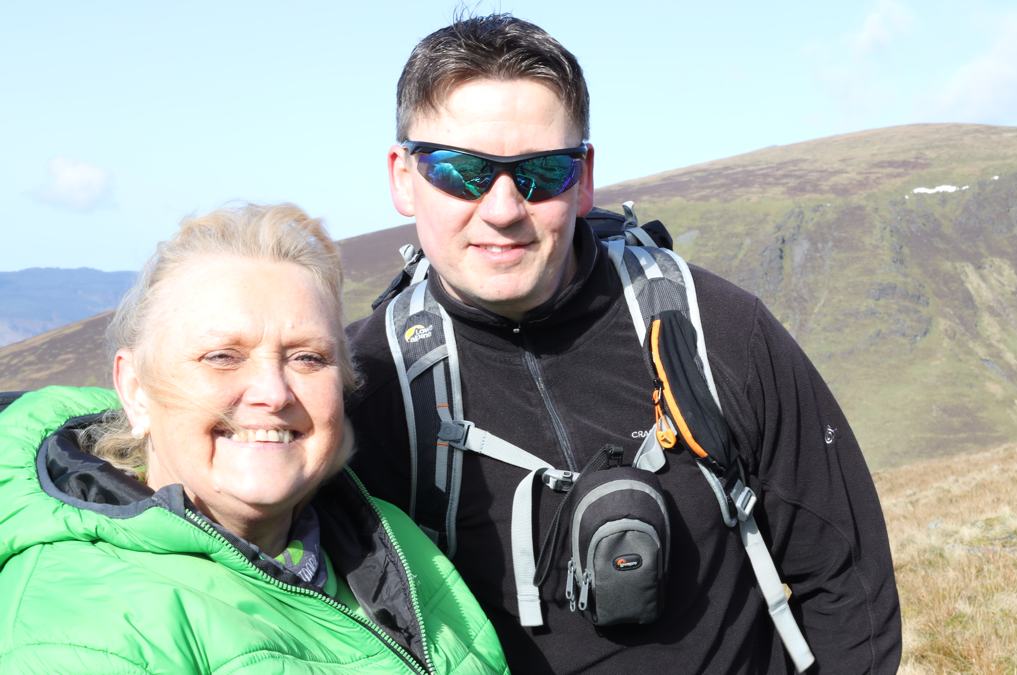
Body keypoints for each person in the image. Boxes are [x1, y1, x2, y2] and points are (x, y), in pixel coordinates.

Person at [347, 14, 901, 674]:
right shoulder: (365, 388)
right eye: (461, 171)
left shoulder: (717, 329)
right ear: (403, 177)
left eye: (541, 171)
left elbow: (847, 582)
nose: (502, 209)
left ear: (583, 177)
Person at [0, 204, 508, 674]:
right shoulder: (86, 632)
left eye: (307, 357)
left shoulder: (388, 539)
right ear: (136, 390)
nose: (273, 392)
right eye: (222, 356)